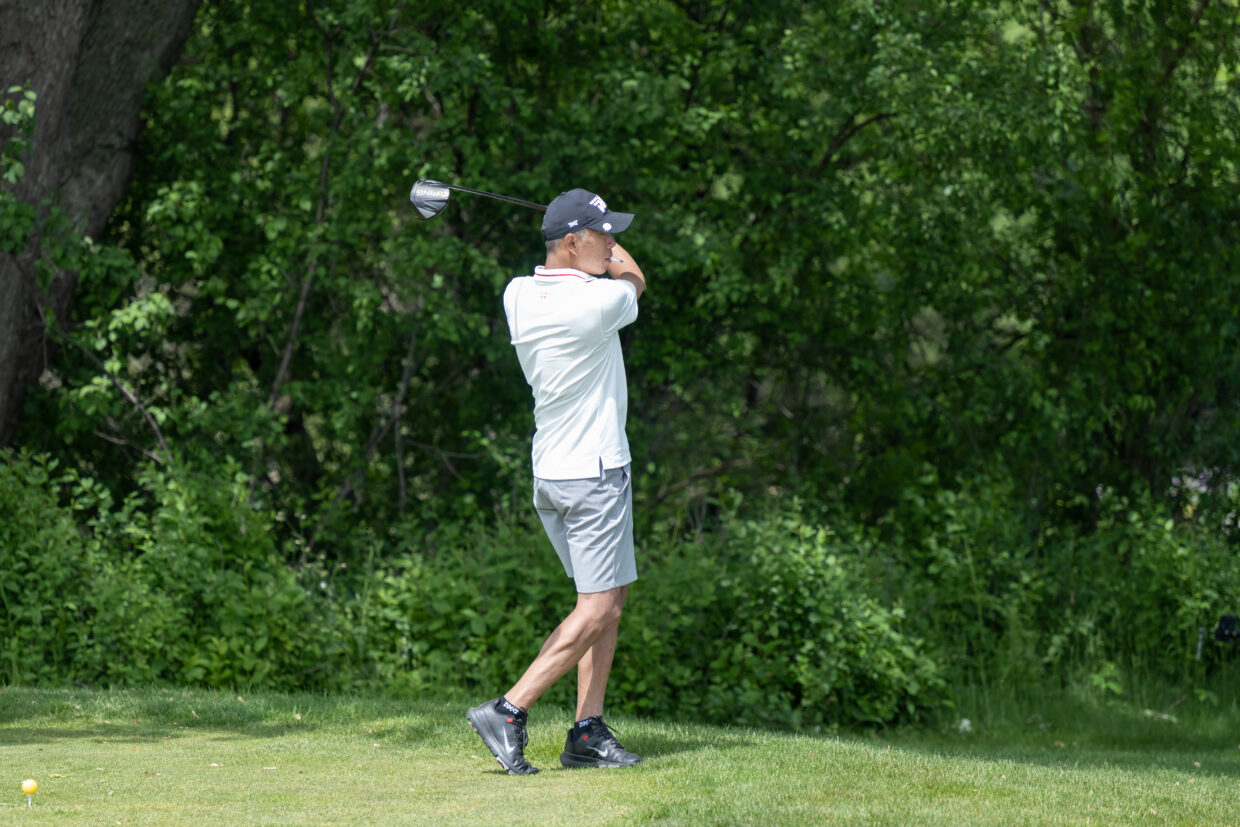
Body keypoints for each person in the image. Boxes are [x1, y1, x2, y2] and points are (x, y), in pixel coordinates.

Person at [466, 188, 647, 775]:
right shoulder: (596, 303)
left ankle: (587, 732)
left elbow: (588, 266)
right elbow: (635, 279)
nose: (612, 244)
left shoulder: (517, 293)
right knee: (598, 607)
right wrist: (616, 258)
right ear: (572, 241)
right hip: (594, 472)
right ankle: (508, 710)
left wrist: (591, 243)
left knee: (606, 600)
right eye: (602, 234)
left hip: (552, 474)